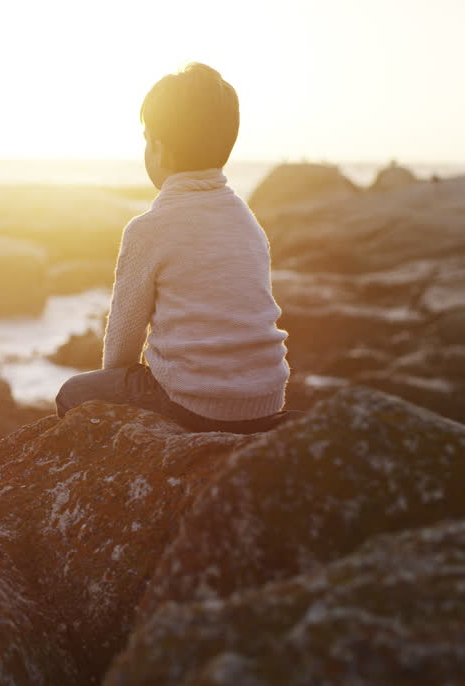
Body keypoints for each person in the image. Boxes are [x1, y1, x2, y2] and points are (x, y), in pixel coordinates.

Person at [55, 62, 296, 433]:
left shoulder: (148, 230)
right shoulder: (247, 221)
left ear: (158, 148)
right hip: (264, 399)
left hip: (192, 403)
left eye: (146, 139)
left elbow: (123, 344)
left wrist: (111, 398)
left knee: (73, 393)